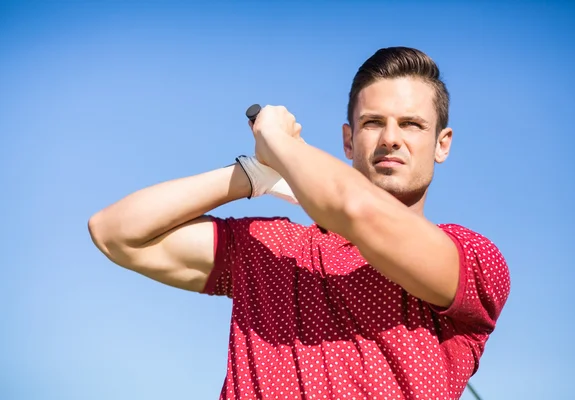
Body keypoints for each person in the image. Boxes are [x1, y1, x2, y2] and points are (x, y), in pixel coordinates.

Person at [88, 46, 511, 399]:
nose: (390, 138)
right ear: (348, 140)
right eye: (372, 123)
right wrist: (256, 173)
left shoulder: (474, 259)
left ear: (442, 144)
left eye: (412, 124)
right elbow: (116, 232)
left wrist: (280, 144)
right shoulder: (274, 246)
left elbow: (359, 213)